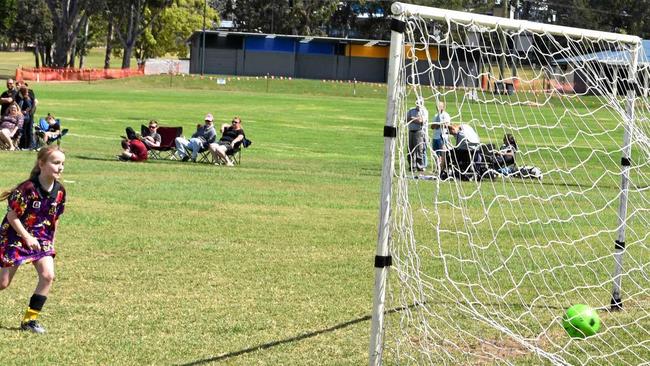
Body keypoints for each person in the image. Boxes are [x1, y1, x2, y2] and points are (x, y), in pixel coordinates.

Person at [0, 146, 67, 334]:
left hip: (41, 237)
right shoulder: (27, 188)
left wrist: (51, 241)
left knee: (48, 276)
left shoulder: (60, 191)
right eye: (55, 163)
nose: (60, 167)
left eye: (62, 163)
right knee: (3, 283)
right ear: (41, 164)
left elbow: (56, 218)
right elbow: (12, 216)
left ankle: (29, 321)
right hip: (15, 235)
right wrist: (26, 237)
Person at [407, 98, 428, 172]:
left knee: (419, 150)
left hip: (419, 132)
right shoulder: (411, 110)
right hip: (411, 131)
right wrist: (416, 119)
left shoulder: (424, 111)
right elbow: (407, 119)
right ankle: (412, 166)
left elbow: (421, 121)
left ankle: (420, 166)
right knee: (410, 149)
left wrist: (413, 119)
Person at [430, 101, 451, 172]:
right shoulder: (436, 115)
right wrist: (438, 125)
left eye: (439, 106)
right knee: (436, 154)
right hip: (435, 137)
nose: (437, 107)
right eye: (437, 106)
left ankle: (442, 168)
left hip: (442, 137)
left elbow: (446, 124)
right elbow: (432, 126)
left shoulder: (446, 115)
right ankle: (437, 167)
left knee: (442, 153)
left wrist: (438, 125)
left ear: (443, 107)